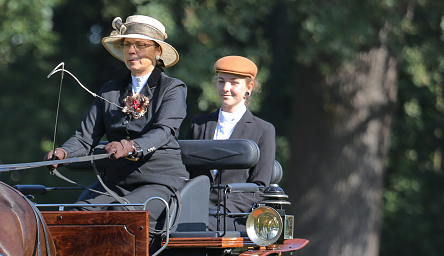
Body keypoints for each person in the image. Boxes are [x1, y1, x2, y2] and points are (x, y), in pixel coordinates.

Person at [45, 15, 191, 239]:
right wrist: (63, 153)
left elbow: (164, 132)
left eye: (141, 45)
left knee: (121, 215)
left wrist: (130, 146)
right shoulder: (109, 90)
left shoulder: (172, 88)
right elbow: (85, 138)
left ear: (157, 51)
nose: (132, 51)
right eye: (127, 45)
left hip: (159, 182)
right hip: (116, 183)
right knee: (75, 216)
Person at [188, 56, 276, 232]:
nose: (225, 88)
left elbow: (258, 187)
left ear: (249, 87)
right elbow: (186, 174)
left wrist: (218, 211)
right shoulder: (198, 125)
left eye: (234, 83)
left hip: (234, 216)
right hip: (194, 210)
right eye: (221, 81)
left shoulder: (263, 130)